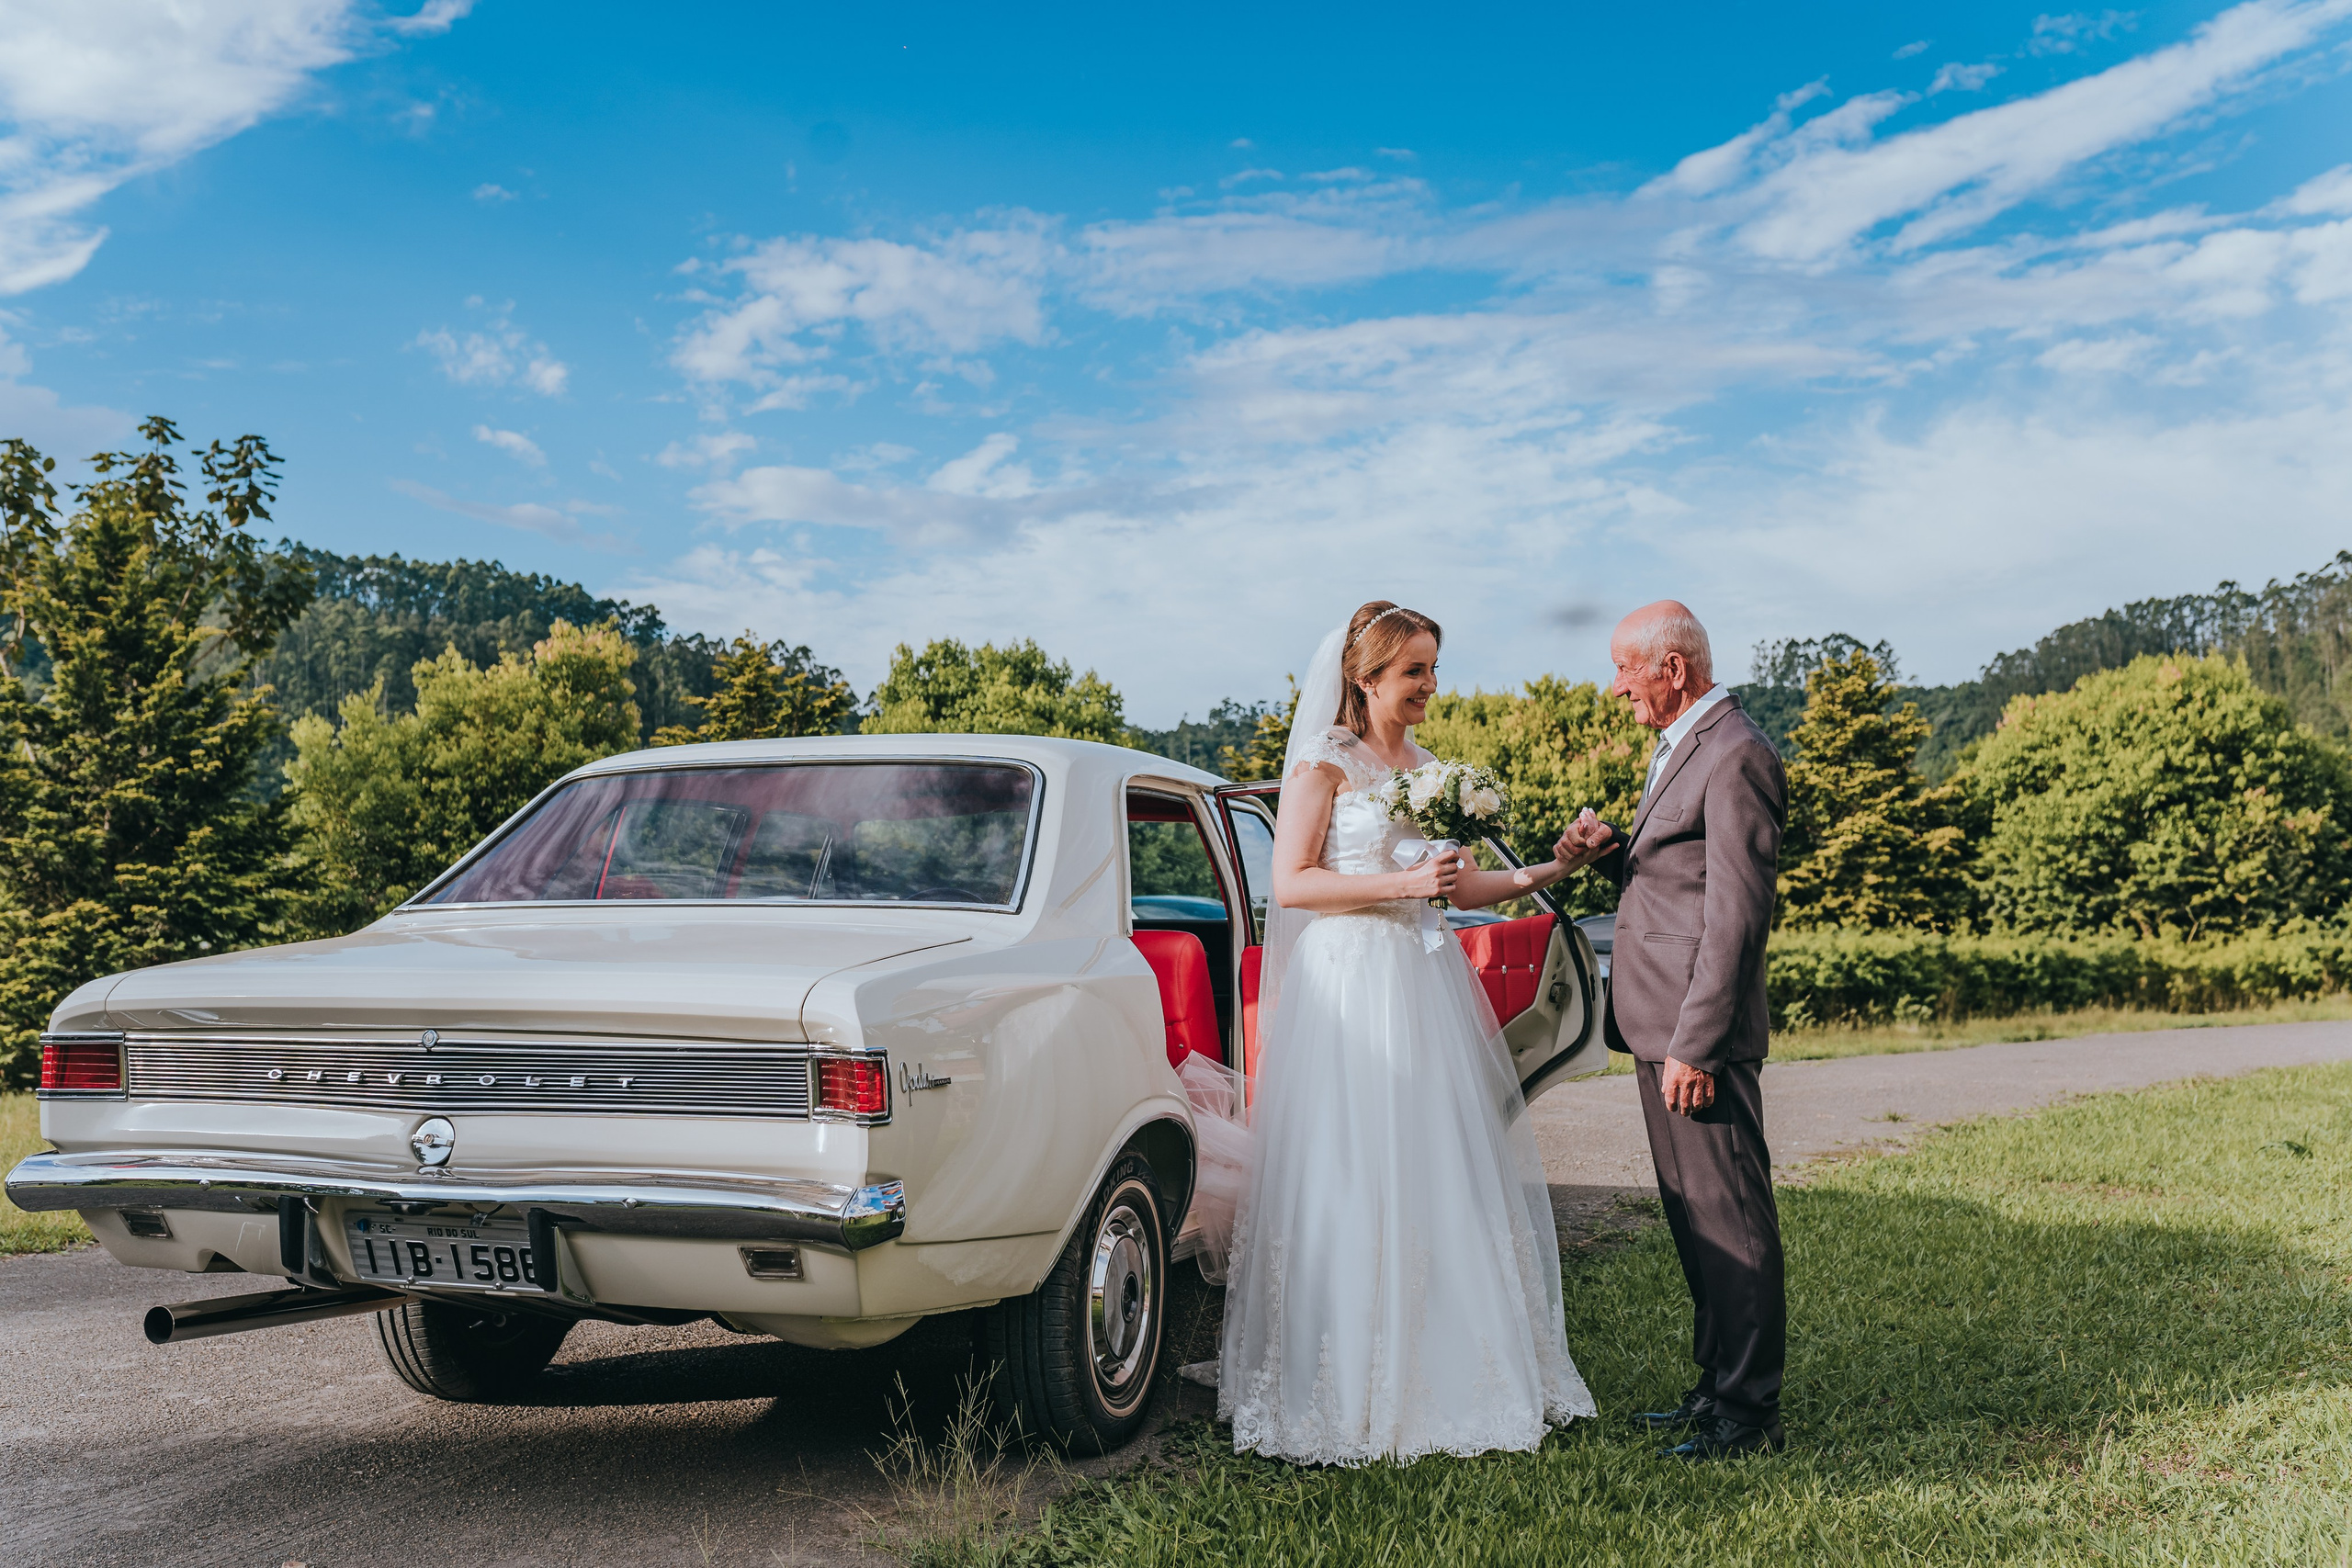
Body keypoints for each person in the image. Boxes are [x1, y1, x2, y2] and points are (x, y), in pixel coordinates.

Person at [1212, 600, 1608, 1464]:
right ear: (1367, 676)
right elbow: (1293, 883)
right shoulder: (1324, 761)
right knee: (1351, 1167)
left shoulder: (1428, 768)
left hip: (1420, 979)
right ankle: (1344, 1378)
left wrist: (1554, 866)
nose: (1431, 685)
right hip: (1350, 984)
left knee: (1438, 1165)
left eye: (1434, 667)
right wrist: (1403, 887)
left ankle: (1454, 1365)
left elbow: (1457, 889)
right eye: (1415, 670)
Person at [1562, 599, 1789, 1461]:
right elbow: (1679, 876)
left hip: (1697, 1035)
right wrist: (1614, 847)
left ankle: (1748, 1416)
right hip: (1656, 1022)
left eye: (1626, 667)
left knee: (1730, 1220)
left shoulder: (1737, 753)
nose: (1615, 684)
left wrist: (1697, 1042)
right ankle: (1713, 1388)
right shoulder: (1686, 747)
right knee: (1693, 1216)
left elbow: (1736, 916)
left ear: (1673, 668)